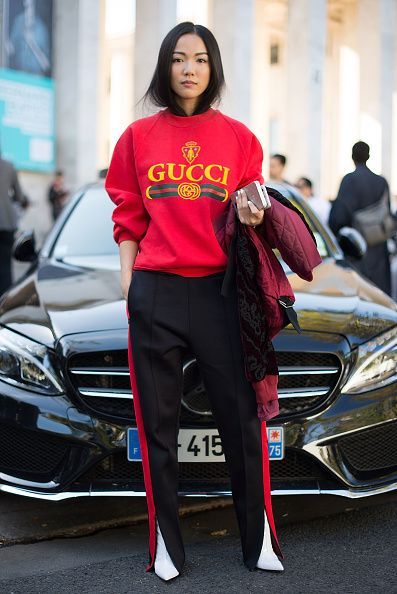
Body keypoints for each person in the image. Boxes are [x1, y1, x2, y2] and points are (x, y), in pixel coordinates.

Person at [106, 22, 287, 582]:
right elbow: (128, 213)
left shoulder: (238, 137)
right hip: (156, 291)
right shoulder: (137, 137)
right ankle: (166, 546)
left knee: (241, 421)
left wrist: (253, 214)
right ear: (165, 67)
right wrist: (128, 279)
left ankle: (259, 540)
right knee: (157, 427)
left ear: (213, 69)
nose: (189, 69)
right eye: (180, 59)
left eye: (201, 59)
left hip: (220, 292)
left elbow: (250, 208)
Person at [329, 141, 393, 296]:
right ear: (369, 156)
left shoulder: (349, 180)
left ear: (352, 157)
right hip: (378, 244)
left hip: (356, 245)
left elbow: (338, 217)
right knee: (380, 295)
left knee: (361, 294)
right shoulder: (381, 181)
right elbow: (387, 213)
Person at [0, 153, 28, 295]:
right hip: (6, 222)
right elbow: (19, 196)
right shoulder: (8, 166)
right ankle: (4, 304)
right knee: (5, 266)